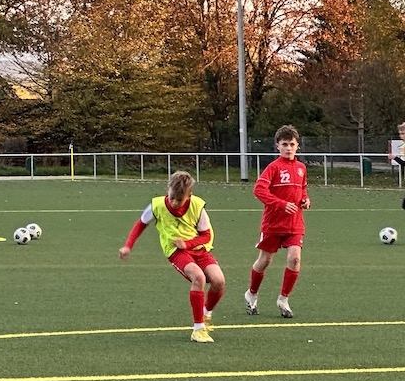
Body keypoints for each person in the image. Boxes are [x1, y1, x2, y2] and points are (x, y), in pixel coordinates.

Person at [118, 170, 225, 343]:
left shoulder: (197, 206)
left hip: (199, 249)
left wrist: (187, 243)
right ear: (167, 189)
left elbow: (206, 235)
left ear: (189, 195)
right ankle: (198, 329)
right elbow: (140, 224)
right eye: (172, 197)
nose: (174, 202)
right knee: (198, 278)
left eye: (179, 199)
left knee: (219, 281)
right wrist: (128, 246)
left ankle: (206, 314)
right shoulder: (157, 205)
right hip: (176, 252)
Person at [245, 124, 311, 319]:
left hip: (295, 223)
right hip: (273, 223)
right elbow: (259, 190)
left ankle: (283, 299)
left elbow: (303, 189)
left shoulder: (301, 168)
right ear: (277, 146)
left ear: (298, 146)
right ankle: (252, 293)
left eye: (292, 144)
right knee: (264, 260)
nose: (288, 148)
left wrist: (305, 200)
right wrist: (281, 204)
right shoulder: (273, 168)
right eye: (284, 144)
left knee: (295, 258)